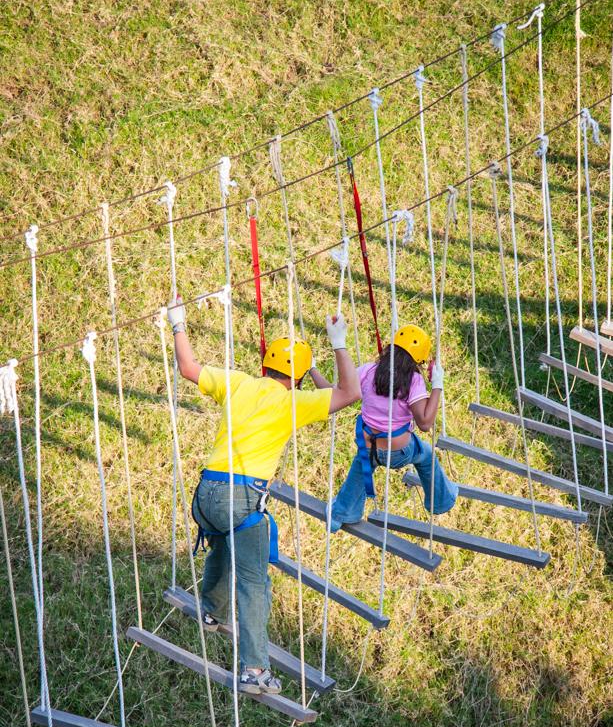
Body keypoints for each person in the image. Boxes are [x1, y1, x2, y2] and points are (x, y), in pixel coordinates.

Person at [167, 298, 360, 696]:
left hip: (206, 494)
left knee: (224, 539)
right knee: (254, 582)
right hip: (241, 497)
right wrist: (337, 343)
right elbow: (350, 393)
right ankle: (254, 670)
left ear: (265, 367)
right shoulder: (294, 403)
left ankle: (210, 610)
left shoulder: (238, 383)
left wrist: (177, 321)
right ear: (300, 378)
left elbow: (188, 368)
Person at [309, 323, 458, 530]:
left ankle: (341, 514)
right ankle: (441, 500)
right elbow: (425, 423)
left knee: (360, 469)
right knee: (426, 456)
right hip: (401, 451)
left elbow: (331, 393)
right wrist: (437, 385)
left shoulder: (369, 370)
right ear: (418, 360)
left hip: (368, 448)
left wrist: (312, 369)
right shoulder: (413, 380)